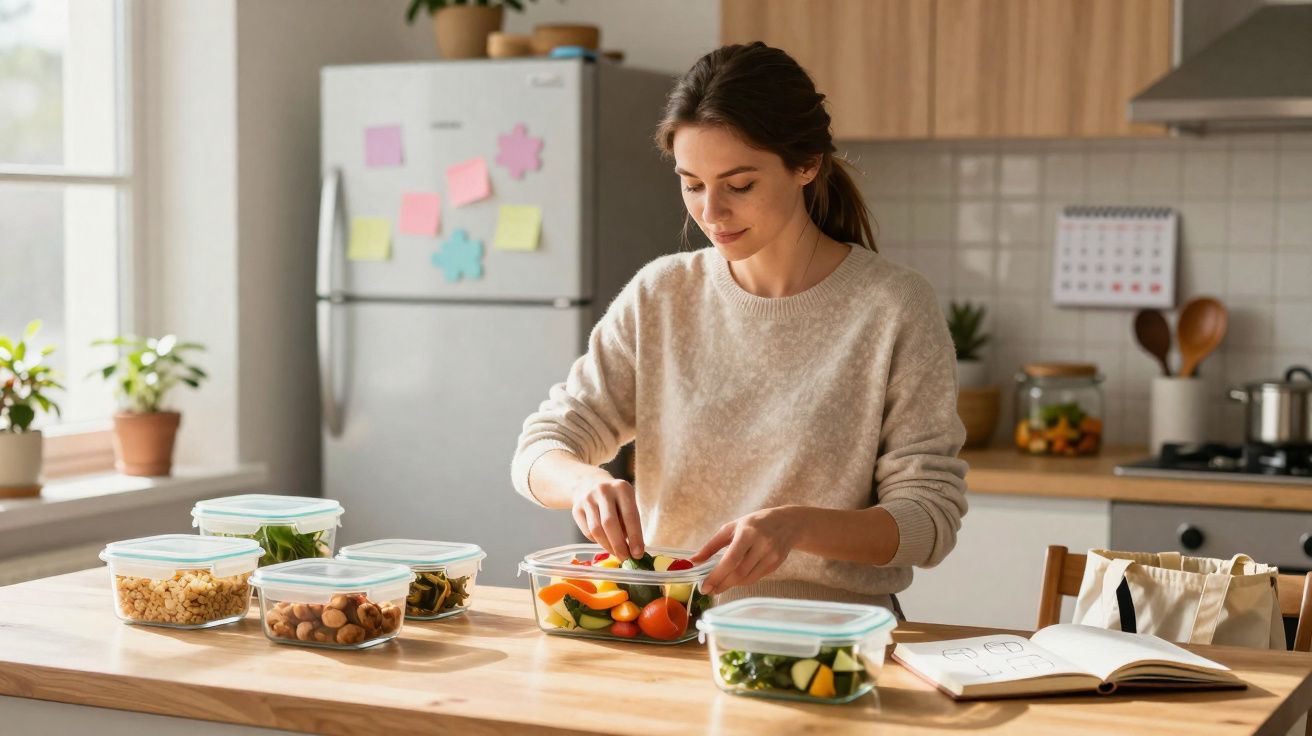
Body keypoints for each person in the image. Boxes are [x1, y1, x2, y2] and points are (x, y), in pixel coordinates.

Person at [510, 42, 967, 614]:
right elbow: (539, 449)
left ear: (806, 165)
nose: (711, 212)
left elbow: (929, 519)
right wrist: (584, 485)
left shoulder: (893, 307)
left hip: (834, 640)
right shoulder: (660, 295)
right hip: (670, 628)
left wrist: (797, 528)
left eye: (740, 184)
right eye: (692, 183)